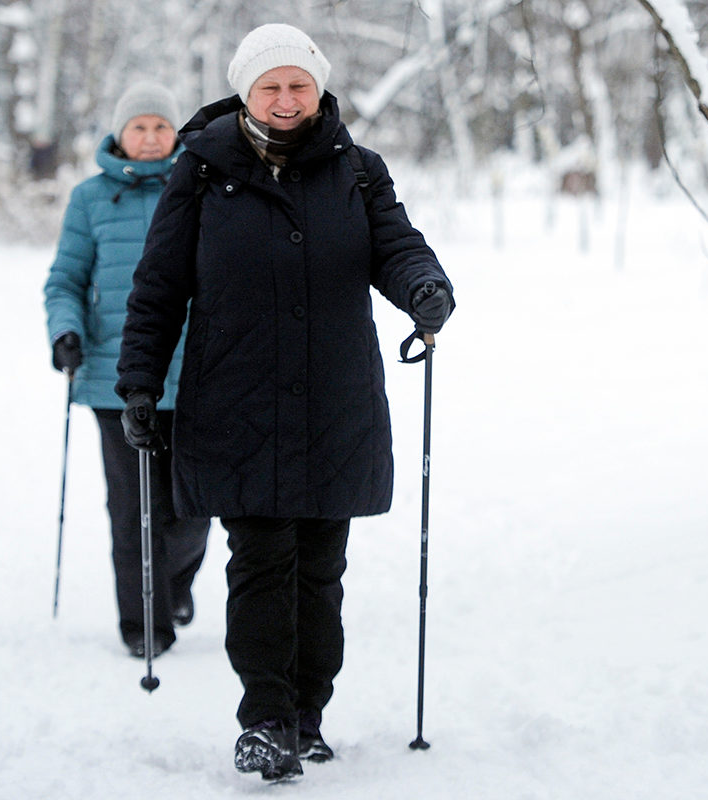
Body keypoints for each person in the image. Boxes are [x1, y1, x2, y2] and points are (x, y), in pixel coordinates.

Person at [115, 23, 455, 782]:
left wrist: (425, 289)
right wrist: (139, 381)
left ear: (318, 87)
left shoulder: (358, 172)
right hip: (237, 401)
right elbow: (159, 285)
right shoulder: (201, 173)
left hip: (335, 401)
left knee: (320, 572)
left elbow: (397, 247)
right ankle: (265, 719)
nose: (286, 98)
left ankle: (308, 714)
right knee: (261, 562)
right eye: (270, 85)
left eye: (298, 84)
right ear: (245, 90)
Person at [43, 81, 210, 660]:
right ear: (119, 133)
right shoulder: (90, 199)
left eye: (160, 126)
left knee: (193, 507)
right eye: (138, 126)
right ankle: (145, 622)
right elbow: (65, 278)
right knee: (133, 507)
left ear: (174, 134)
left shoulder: (202, 188)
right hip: (114, 380)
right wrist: (66, 332)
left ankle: (174, 583)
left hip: (195, 374)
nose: (149, 137)